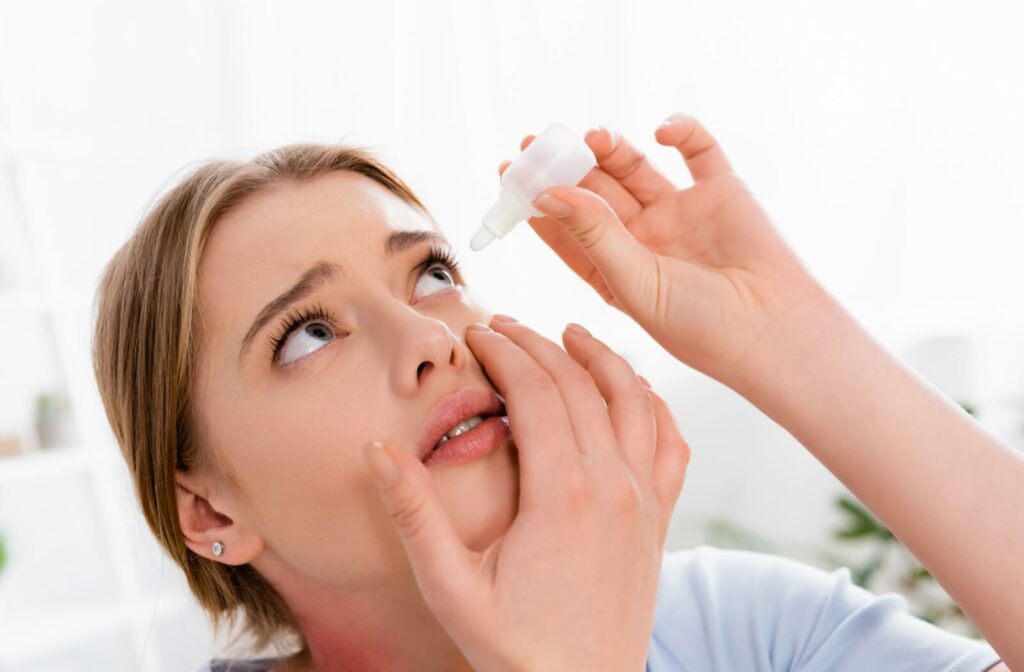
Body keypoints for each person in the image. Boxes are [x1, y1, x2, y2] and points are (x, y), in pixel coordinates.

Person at [88, 118, 1010, 672]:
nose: (430, 343)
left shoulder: (735, 628)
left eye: (430, 274)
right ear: (209, 507)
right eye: (308, 334)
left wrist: (788, 339)